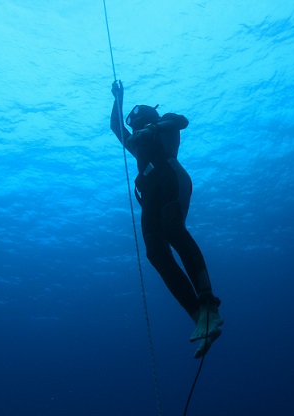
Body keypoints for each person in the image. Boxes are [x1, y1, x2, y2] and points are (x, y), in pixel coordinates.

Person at [110, 80, 223, 358]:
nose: (134, 129)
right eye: (133, 125)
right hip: (149, 194)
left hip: (171, 179)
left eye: (140, 123)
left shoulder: (164, 128)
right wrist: (118, 98)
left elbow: (181, 120)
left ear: (150, 118)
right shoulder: (136, 143)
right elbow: (115, 128)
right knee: (155, 253)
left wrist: (151, 128)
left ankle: (208, 303)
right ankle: (199, 316)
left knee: (173, 229)